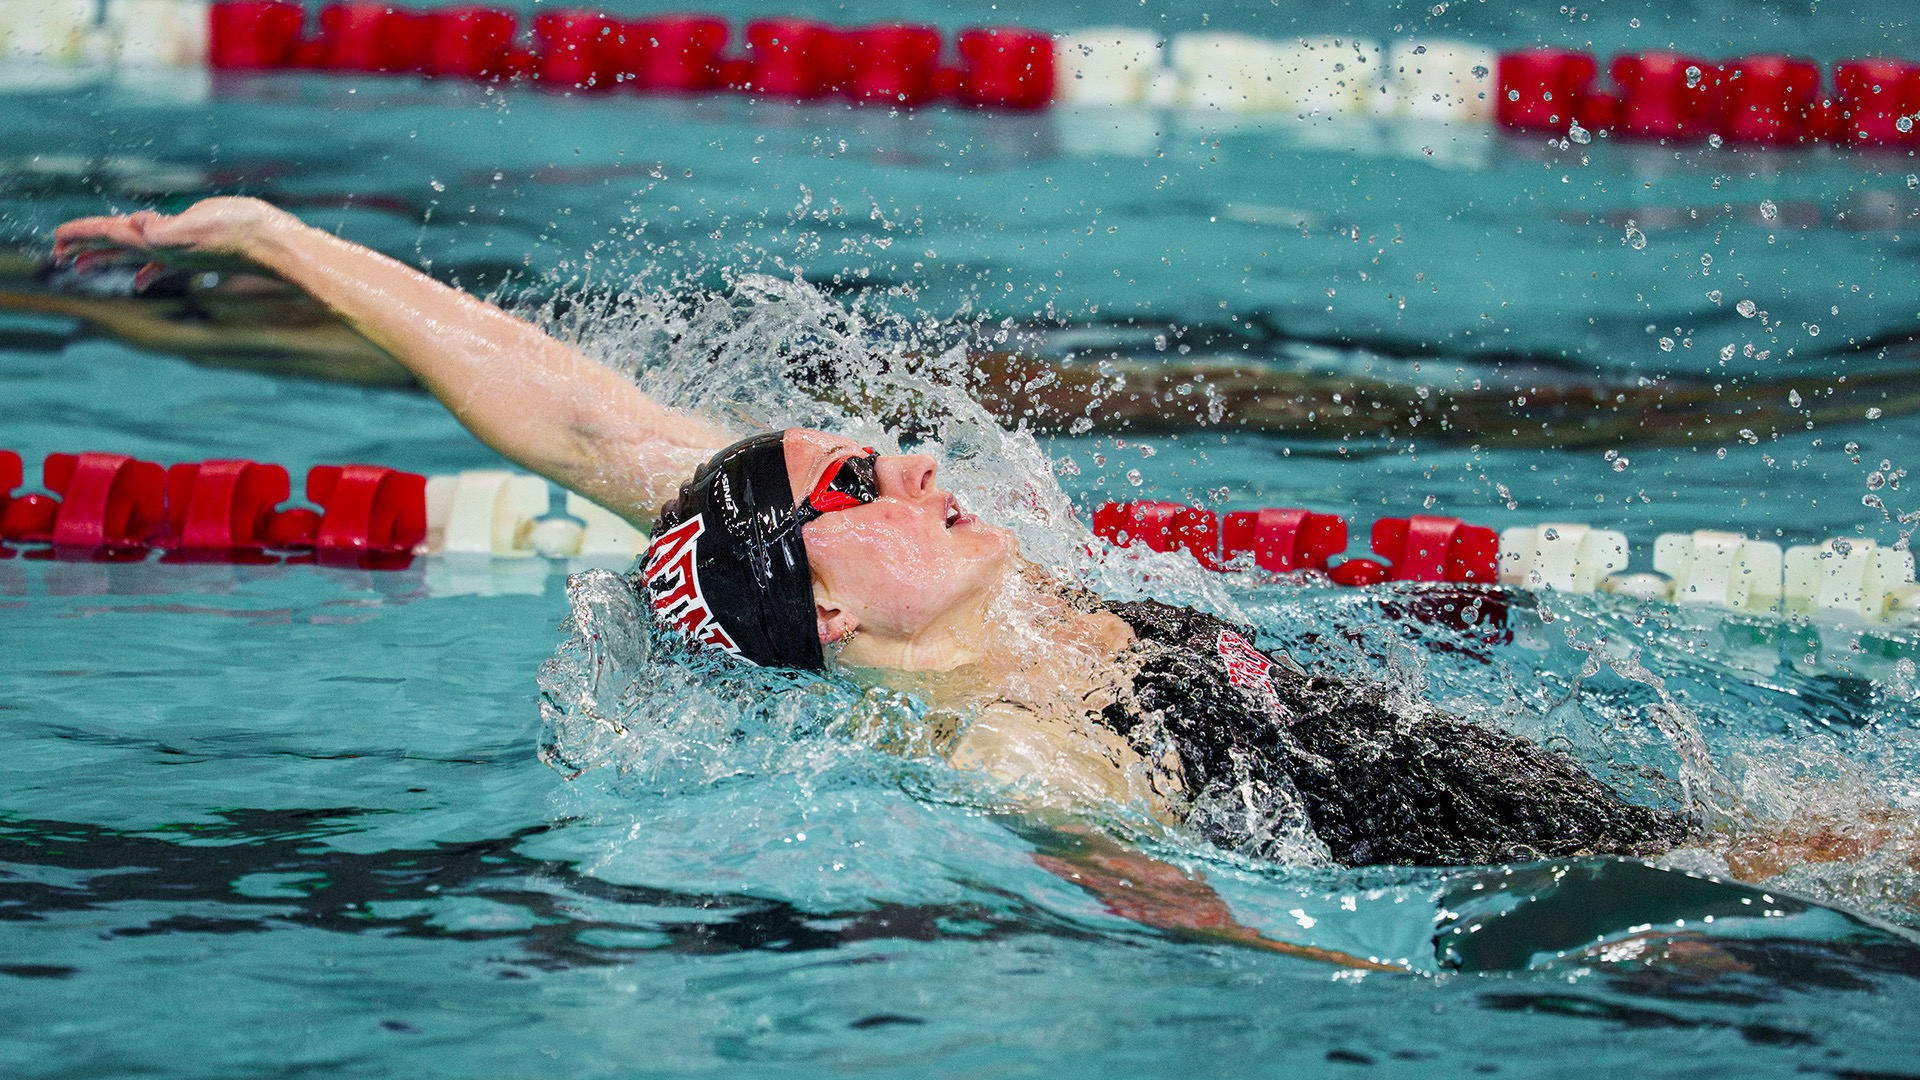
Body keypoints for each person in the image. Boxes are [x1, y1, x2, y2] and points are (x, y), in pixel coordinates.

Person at [52, 196, 1774, 969]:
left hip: (1515, 796)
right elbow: (1191, 913)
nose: (923, 462)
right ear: (831, 610)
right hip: (1531, 869)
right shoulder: (1010, 736)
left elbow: (573, 413)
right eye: (860, 486)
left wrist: (270, 234)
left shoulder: (861, 596)